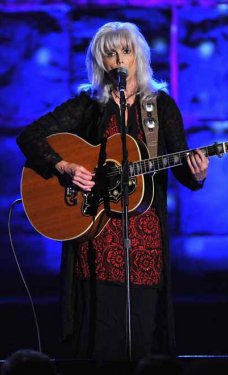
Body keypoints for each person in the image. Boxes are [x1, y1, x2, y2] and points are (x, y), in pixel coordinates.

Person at [16, 21, 209, 361]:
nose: (119, 59)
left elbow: (182, 169)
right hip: (96, 242)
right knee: (99, 343)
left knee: (141, 345)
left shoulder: (160, 107)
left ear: (139, 56)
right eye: (109, 54)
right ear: (100, 62)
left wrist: (198, 172)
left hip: (145, 246)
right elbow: (30, 136)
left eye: (126, 51)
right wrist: (64, 167)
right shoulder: (88, 106)